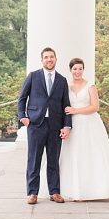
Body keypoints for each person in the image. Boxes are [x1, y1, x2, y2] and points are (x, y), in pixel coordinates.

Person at [58, 57, 109, 200]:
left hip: (89, 124)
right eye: (75, 69)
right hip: (74, 125)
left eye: (80, 68)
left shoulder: (90, 86)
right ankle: (74, 189)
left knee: (91, 153)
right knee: (74, 154)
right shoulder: (66, 86)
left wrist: (75, 111)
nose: (77, 71)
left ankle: (96, 188)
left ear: (83, 70)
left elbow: (95, 107)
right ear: (70, 70)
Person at [17, 47, 72, 204]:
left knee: (53, 160)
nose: (49, 59)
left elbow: (66, 104)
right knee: (34, 160)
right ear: (42, 60)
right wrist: (23, 117)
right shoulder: (33, 76)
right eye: (46, 57)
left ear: (56, 59)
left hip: (55, 125)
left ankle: (54, 192)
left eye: (52, 57)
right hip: (36, 124)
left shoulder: (62, 80)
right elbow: (22, 98)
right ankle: (32, 193)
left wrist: (67, 126)